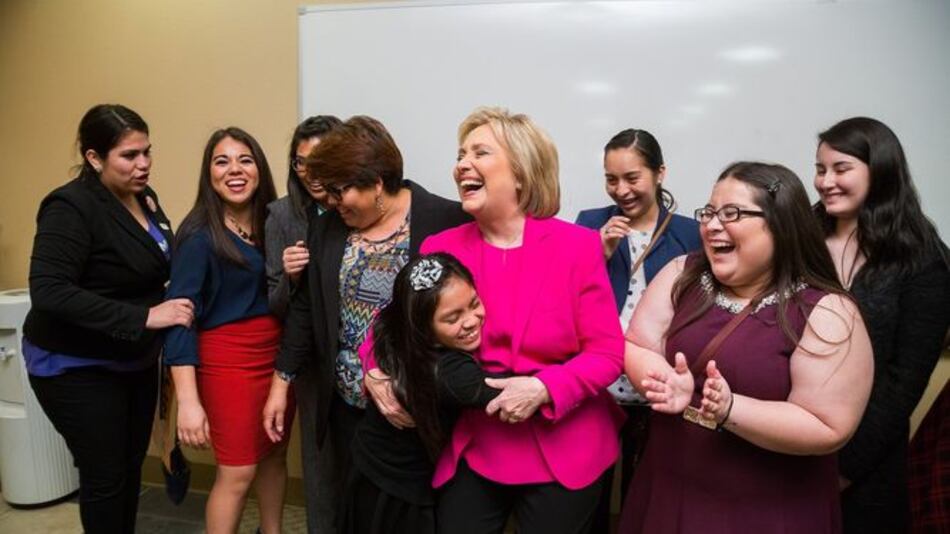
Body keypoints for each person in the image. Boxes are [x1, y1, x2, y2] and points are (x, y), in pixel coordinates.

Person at [366, 107, 624, 534]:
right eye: (460, 154)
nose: (461, 164)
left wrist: (543, 388)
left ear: (520, 172)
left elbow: (607, 353)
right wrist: (373, 368)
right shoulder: (441, 246)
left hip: (566, 442)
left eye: (479, 153)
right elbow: (396, 321)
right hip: (478, 441)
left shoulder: (577, 247)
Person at [620, 161, 874, 533]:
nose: (711, 225)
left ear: (780, 223)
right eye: (709, 212)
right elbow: (637, 345)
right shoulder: (682, 274)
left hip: (770, 508)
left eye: (732, 213)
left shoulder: (827, 311)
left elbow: (828, 425)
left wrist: (729, 408)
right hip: (671, 488)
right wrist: (661, 381)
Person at [264, 115, 471, 531]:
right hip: (347, 405)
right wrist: (280, 383)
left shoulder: (445, 220)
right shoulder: (327, 228)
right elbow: (307, 309)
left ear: (377, 181)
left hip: (413, 408)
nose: (334, 202)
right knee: (356, 514)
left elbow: (462, 317)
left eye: (343, 191)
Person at [24, 104, 193, 533]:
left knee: (129, 470)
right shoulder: (70, 207)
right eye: (129, 156)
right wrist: (144, 316)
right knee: (105, 477)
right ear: (94, 158)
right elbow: (49, 292)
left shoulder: (144, 198)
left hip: (130, 361)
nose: (143, 164)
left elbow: (145, 265)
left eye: (147, 152)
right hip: (75, 365)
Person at [813, 117, 950, 533]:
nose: (825, 182)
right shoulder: (801, 237)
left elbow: (904, 381)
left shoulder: (923, 259)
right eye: (820, 169)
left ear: (882, 170)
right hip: (785, 447)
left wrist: (844, 470)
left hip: (866, 465)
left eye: (841, 168)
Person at [164, 127, 289, 534]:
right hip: (228, 363)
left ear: (259, 169)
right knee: (237, 472)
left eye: (245, 160)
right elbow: (180, 318)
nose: (234, 170)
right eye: (222, 161)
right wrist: (187, 401)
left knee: (273, 455)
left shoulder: (276, 224)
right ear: (209, 174)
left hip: (277, 361)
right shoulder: (199, 236)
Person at [575, 128, 700, 531]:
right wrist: (599, 252)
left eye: (633, 178)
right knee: (588, 494)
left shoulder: (690, 233)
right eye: (612, 179)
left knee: (644, 496)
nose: (621, 190)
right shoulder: (589, 223)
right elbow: (567, 298)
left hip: (654, 384)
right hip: (598, 384)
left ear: (659, 173)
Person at [337, 253, 500, 534]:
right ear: (423, 326)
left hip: (368, 462)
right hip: (396, 488)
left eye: (474, 304)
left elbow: (383, 317)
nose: (472, 320)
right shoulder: (449, 371)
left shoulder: (398, 331)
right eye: (453, 318)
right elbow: (506, 391)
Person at [264, 114, 341, 534]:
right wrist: (291, 278)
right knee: (320, 466)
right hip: (311, 361)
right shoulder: (281, 216)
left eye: (320, 158)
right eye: (300, 161)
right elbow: (273, 303)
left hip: (365, 358)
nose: (310, 171)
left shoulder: (359, 204)